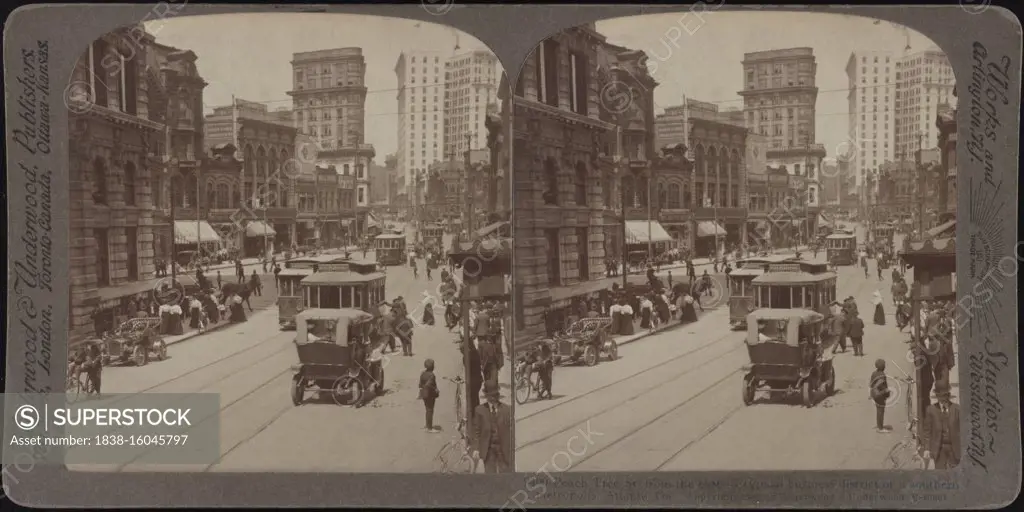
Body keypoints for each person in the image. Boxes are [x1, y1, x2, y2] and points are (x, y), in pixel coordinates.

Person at [472, 381, 513, 474]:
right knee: (490, 474)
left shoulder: (507, 410)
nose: (494, 398)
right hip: (488, 449)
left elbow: (511, 430)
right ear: (486, 396)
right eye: (491, 396)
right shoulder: (479, 410)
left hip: (503, 449)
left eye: (496, 395)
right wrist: (476, 448)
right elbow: (476, 431)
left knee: (505, 474)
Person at [922, 381, 960, 469]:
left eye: (944, 395)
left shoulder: (957, 409)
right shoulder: (931, 410)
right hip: (939, 449)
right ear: (936, 396)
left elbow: (962, 430)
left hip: (954, 448)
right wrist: (927, 448)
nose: (942, 399)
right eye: (939, 396)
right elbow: (927, 431)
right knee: (940, 473)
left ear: (948, 395)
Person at [869, 359, 892, 433]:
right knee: (881, 411)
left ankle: (879, 425)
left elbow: (871, 384)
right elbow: (882, 385)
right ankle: (880, 428)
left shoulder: (874, 373)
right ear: (882, 366)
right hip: (880, 395)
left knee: (878, 410)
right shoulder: (882, 375)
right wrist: (887, 391)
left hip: (874, 395)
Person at [418, 358, 441, 433]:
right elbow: (429, 385)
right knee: (430, 410)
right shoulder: (432, 375)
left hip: (424, 394)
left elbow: (420, 384)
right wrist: (435, 389)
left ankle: (427, 425)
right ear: (433, 367)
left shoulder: (423, 373)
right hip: (430, 395)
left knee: (427, 410)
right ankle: (429, 428)